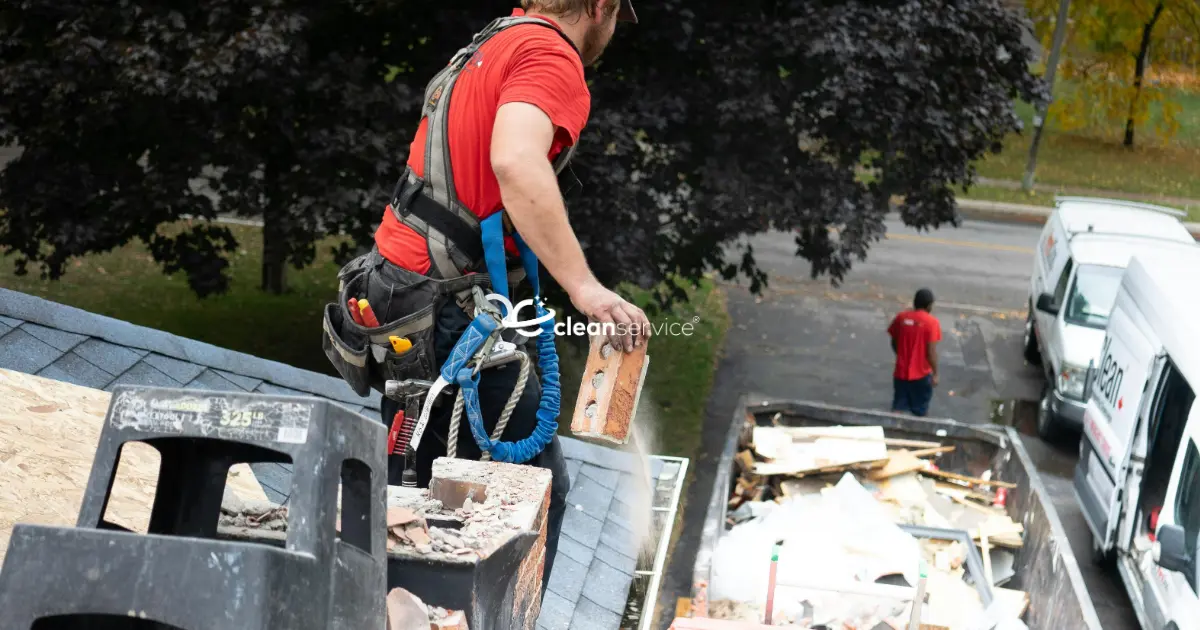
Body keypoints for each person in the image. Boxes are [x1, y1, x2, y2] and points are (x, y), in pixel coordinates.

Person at [324, 0, 649, 599]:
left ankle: (384, 609)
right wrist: (584, 287)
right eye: (614, 19)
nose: (611, 34)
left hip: (400, 291)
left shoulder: (496, 40)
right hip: (444, 310)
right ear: (601, 7)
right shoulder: (551, 55)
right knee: (518, 499)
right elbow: (516, 160)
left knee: (411, 487)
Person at [887, 288, 941, 417]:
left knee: (898, 409)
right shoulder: (932, 323)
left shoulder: (901, 318)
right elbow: (931, 352)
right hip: (921, 376)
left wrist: (900, 355)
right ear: (929, 306)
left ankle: (893, 432)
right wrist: (936, 373)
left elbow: (894, 341)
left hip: (900, 373)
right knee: (920, 411)